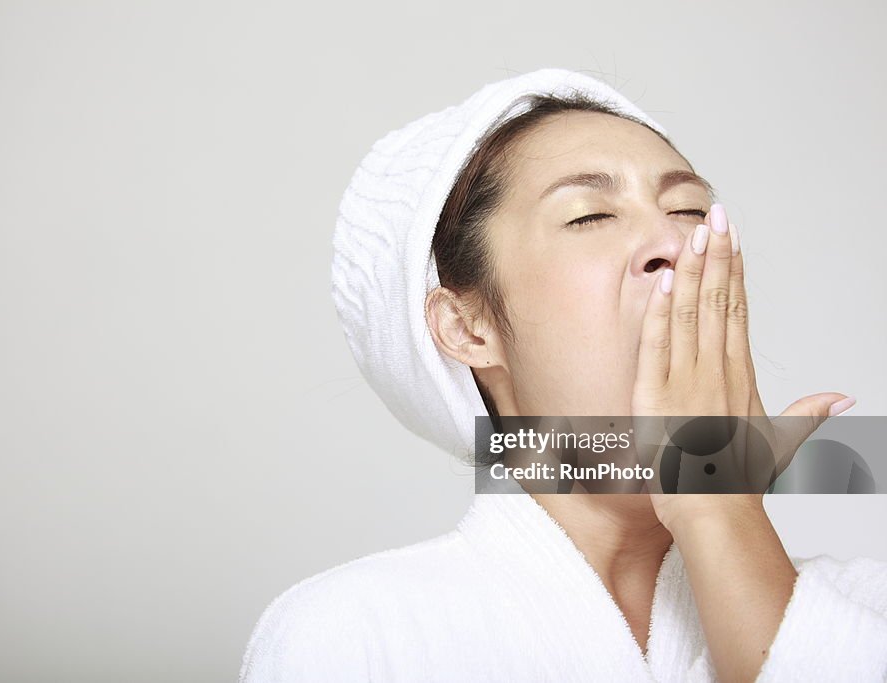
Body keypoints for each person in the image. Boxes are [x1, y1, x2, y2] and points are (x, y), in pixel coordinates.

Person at [239, 68, 887, 682]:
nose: (671, 241)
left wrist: (720, 511)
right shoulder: (356, 632)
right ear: (468, 327)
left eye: (691, 210)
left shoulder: (865, 603)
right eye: (589, 215)